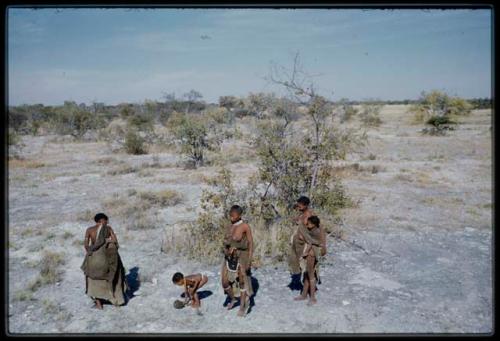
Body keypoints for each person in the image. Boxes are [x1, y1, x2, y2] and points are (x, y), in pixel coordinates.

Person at [80, 213, 127, 309]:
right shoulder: (108, 229)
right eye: (106, 220)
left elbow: (86, 244)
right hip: (106, 256)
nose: (107, 222)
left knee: (92, 279)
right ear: (102, 220)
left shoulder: (89, 230)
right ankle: (115, 299)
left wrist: (90, 253)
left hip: (93, 257)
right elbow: (115, 242)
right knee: (115, 274)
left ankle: (98, 303)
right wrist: (107, 241)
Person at [221, 205, 254, 317]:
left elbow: (250, 243)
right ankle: (233, 298)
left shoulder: (245, 226)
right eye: (230, 215)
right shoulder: (230, 226)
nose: (231, 217)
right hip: (229, 258)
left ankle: (242, 306)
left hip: (241, 257)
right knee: (224, 282)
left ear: (239, 215)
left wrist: (249, 260)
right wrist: (226, 250)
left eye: (233, 216)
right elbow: (226, 241)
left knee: (242, 282)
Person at [293, 215, 324, 305]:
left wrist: (306, 252)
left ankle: (313, 298)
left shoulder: (316, 232)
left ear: (314, 224)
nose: (307, 226)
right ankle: (304, 295)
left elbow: (310, 242)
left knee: (310, 275)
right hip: (311, 252)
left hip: (312, 253)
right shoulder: (313, 230)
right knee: (306, 274)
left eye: (309, 224)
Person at [288, 196, 315, 291]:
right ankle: (299, 283)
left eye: (300, 205)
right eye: (298, 205)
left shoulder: (309, 215)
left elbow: (312, 232)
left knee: (304, 265)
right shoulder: (301, 214)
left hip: (304, 244)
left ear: (306, 205)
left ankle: (307, 288)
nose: (298, 206)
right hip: (296, 242)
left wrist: (308, 248)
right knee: (293, 261)